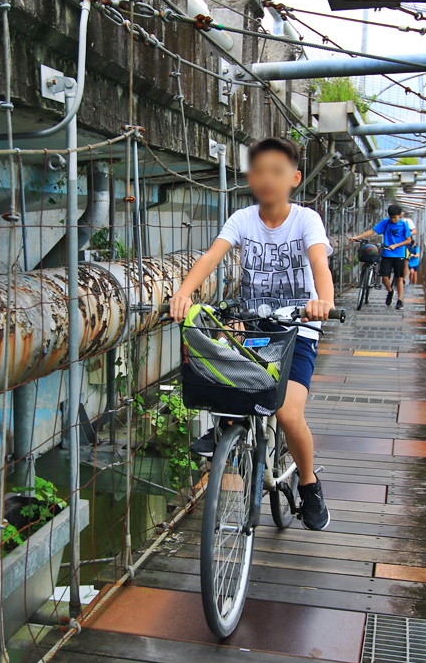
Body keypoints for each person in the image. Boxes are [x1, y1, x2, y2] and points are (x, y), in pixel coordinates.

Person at [168, 137, 336, 531]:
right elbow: (212, 256)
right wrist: (184, 292)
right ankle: (229, 430)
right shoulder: (242, 219)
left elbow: (319, 264)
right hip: (255, 328)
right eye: (259, 171)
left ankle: (309, 484)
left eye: (276, 172)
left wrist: (323, 300)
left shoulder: (306, 220)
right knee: (228, 383)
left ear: (294, 178)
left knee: (288, 411)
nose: (266, 179)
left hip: (298, 328)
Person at [350, 204, 412, 310]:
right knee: (384, 277)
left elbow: (408, 240)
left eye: (395, 217)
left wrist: (396, 245)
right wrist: (357, 237)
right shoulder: (385, 222)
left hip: (399, 254)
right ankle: (390, 291)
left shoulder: (404, 225)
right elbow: (372, 231)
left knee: (399, 278)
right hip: (387, 254)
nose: (393, 220)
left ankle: (400, 300)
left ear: (400, 215)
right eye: (391, 217)